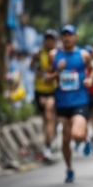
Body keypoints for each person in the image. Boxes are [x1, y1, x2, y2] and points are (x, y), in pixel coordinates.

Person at [45, 25, 93, 183]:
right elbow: (47, 78)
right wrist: (57, 71)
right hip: (62, 102)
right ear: (61, 37)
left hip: (80, 100)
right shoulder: (54, 55)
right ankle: (69, 169)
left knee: (76, 134)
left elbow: (92, 70)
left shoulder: (83, 55)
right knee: (66, 140)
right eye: (64, 35)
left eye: (70, 35)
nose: (67, 38)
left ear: (76, 37)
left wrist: (89, 79)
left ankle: (85, 137)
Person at [31, 29, 58, 161]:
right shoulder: (38, 54)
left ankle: (48, 146)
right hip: (40, 89)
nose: (49, 41)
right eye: (47, 39)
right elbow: (31, 67)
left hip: (53, 90)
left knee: (49, 114)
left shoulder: (59, 54)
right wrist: (39, 71)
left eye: (52, 39)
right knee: (46, 118)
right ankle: (48, 141)